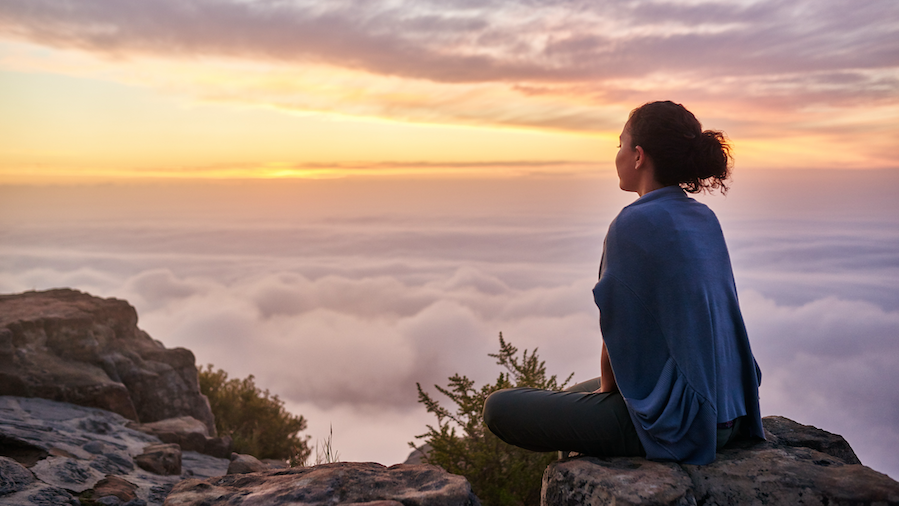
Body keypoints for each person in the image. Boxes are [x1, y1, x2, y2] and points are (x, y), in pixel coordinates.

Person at [483, 101, 764, 465]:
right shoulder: (703, 216)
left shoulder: (633, 224)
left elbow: (618, 336)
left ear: (638, 156)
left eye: (620, 144)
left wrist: (606, 399)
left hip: (687, 424)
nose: (616, 154)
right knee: (570, 396)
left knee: (500, 408)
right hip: (731, 409)